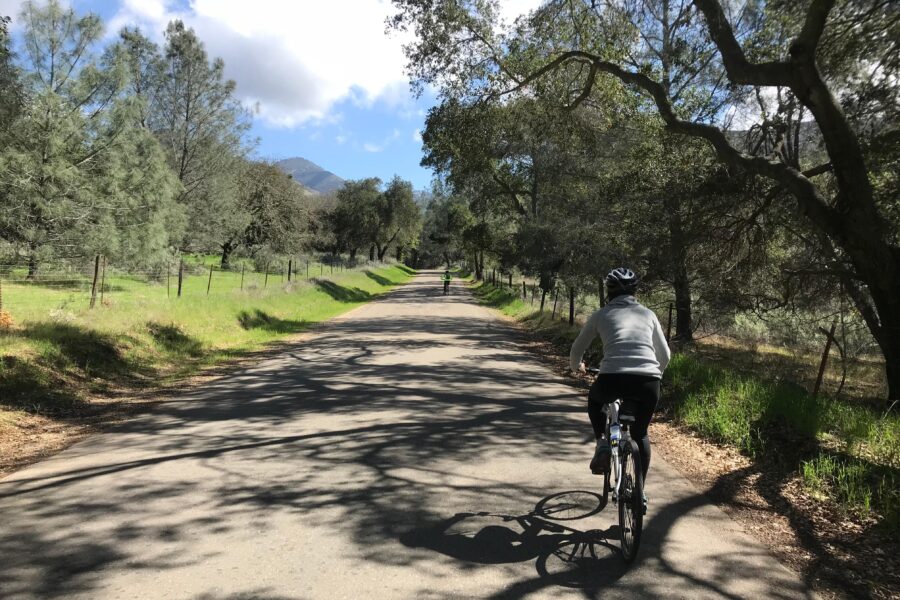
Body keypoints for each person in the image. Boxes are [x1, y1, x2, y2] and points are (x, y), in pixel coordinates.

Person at [569, 267, 670, 499]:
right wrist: (655, 375)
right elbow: (664, 355)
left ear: (609, 291)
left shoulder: (600, 315)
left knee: (595, 400)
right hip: (648, 381)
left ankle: (601, 442)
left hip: (612, 377)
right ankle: (639, 491)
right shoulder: (648, 314)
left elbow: (577, 349)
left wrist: (576, 368)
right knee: (640, 434)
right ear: (635, 291)